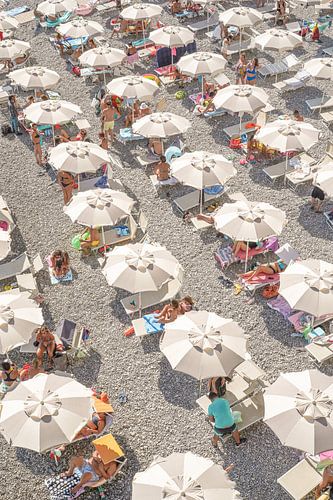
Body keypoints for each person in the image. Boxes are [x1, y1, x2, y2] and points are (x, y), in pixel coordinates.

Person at [45, 452, 118, 497]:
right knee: (75, 459)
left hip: (93, 474)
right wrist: (95, 457)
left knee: (88, 474)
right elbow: (94, 453)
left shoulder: (112, 465)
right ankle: (69, 472)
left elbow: (107, 477)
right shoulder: (102, 450)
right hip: (86, 464)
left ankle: (78, 486)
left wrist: (101, 469)